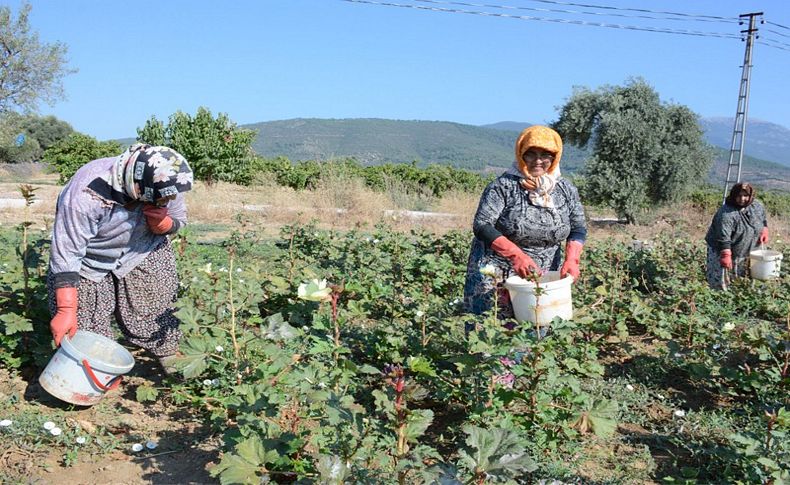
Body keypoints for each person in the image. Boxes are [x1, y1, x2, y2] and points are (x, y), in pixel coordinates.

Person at [47, 144, 193, 373]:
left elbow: (178, 218)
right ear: (137, 187)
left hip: (141, 247)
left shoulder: (165, 181)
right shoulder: (85, 194)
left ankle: (171, 358)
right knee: (85, 327)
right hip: (89, 258)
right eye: (159, 199)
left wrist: (165, 225)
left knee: (158, 305)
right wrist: (66, 309)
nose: (168, 200)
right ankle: (92, 372)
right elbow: (67, 252)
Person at [463, 125, 587, 317]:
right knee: (494, 331)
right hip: (497, 272)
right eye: (531, 154)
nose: (538, 161)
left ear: (555, 157)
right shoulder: (503, 187)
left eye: (546, 155)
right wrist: (516, 256)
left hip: (544, 273)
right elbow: (482, 225)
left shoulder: (565, 190)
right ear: (521, 154)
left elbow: (578, 228)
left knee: (538, 325)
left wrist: (572, 259)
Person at [704, 182, 769, 290]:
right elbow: (723, 236)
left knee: (744, 279)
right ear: (733, 195)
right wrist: (725, 254)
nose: (742, 199)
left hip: (747, 251)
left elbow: (762, 218)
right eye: (739, 196)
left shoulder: (756, 205)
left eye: (746, 195)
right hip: (722, 251)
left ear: (750, 196)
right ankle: (720, 299)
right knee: (722, 280)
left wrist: (764, 229)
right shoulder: (726, 213)